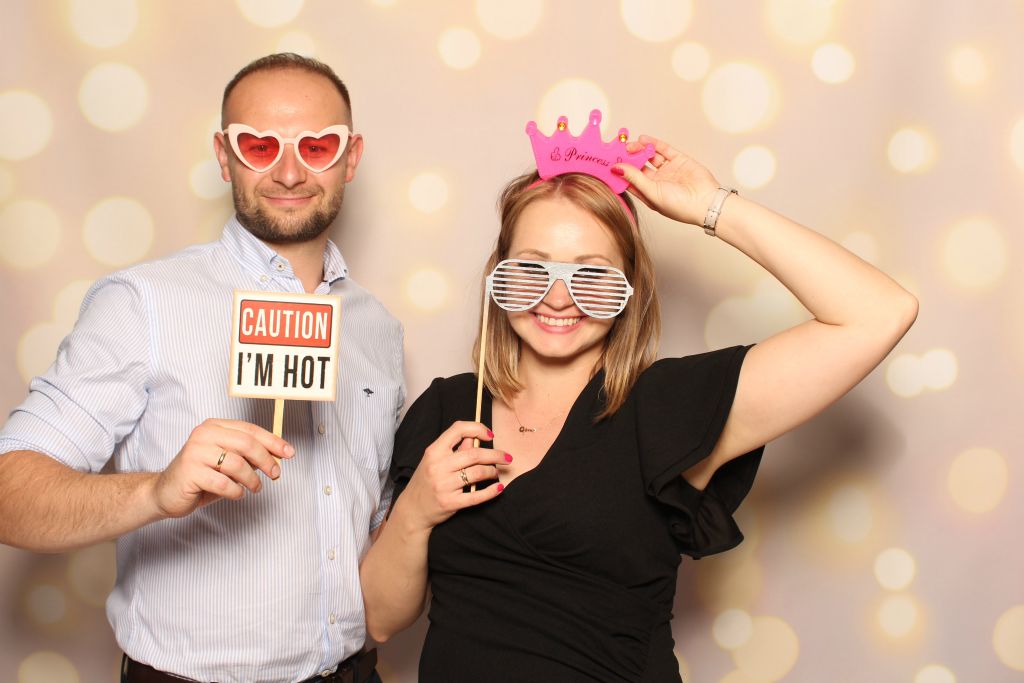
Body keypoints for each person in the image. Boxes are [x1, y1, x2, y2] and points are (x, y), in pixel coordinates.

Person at [358, 114, 918, 681]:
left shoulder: (667, 408)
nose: (558, 297)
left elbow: (879, 313)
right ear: (499, 275)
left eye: (591, 274)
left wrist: (711, 206)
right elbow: (381, 620)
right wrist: (417, 509)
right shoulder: (447, 409)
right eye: (533, 268)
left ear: (631, 289)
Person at [0, 53, 401, 683]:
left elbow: (374, 529)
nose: (289, 171)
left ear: (350, 158)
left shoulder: (377, 326)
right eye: (259, 145)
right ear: (223, 156)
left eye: (317, 145)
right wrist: (155, 491)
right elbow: (9, 493)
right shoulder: (144, 302)